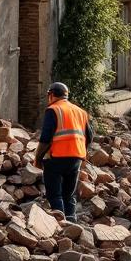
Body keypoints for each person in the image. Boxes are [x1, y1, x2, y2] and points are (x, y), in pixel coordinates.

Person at [34, 82, 91, 220]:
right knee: (69, 194)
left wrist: (38, 158)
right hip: (76, 158)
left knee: (55, 194)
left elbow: (46, 138)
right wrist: (81, 152)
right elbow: (89, 136)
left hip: (57, 157)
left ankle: (60, 225)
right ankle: (72, 224)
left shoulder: (53, 109)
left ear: (51, 95)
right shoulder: (80, 112)